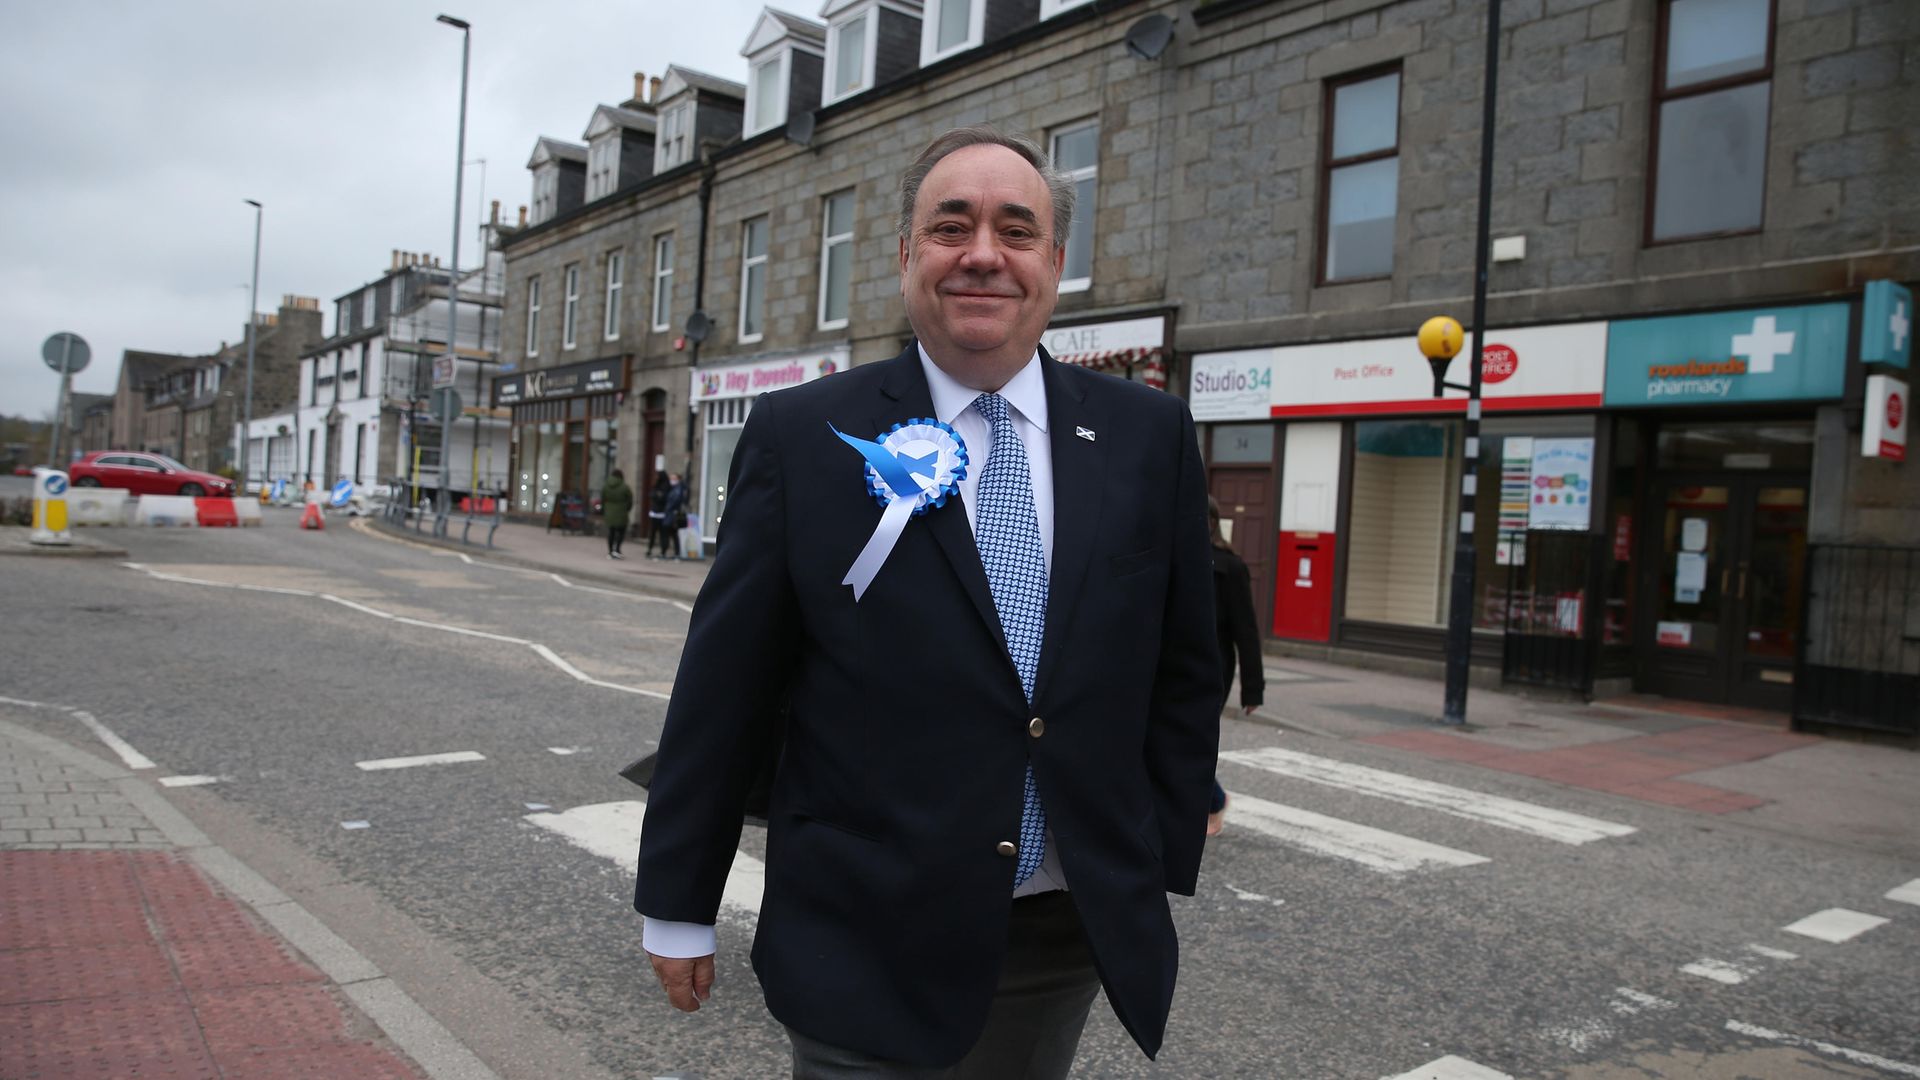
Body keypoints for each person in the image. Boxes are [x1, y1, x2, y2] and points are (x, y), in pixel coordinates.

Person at [634, 125, 1220, 1078]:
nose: (983, 254)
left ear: (1054, 263)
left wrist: (1159, 845)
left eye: (1015, 231)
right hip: (864, 932)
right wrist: (677, 900)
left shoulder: (1145, 434)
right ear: (907, 257)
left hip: (1063, 931)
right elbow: (724, 689)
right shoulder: (803, 434)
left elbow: (1186, 664)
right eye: (951, 227)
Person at [1205, 496, 1265, 837]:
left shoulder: (1230, 567)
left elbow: (1246, 631)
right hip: (1166, 668)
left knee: (1190, 737)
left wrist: (1252, 688)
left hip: (1214, 669)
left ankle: (1214, 798)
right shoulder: (1175, 556)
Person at [602, 469, 633, 560]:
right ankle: (617, 549)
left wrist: (606, 509)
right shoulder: (625, 487)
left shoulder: (606, 486)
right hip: (621, 512)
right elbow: (630, 500)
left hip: (609, 512)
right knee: (621, 531)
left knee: (611, 532)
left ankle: (610, 550)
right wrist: (627, 508)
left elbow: (603, 498)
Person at [657, 472, 687, 560]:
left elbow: (674, 502)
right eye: (671, 478)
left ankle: (665, 552)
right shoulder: (675, 488)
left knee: (668, 533)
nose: (672, 480)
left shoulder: (677, 490)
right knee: (673, 534)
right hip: (671, 514)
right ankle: (675, 553)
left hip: (672, 515)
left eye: (674, 479)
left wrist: (667, 509)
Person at [645, 469, 671, 558]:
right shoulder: (657, 485)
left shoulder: (666, 486)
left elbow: (663, 498)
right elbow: (652, 495)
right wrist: (656, 495)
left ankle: (663, 551)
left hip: (662, 514)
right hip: (655, 513)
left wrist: (657, 495)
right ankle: (650, 549)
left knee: (663, 534)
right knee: (652, 533)